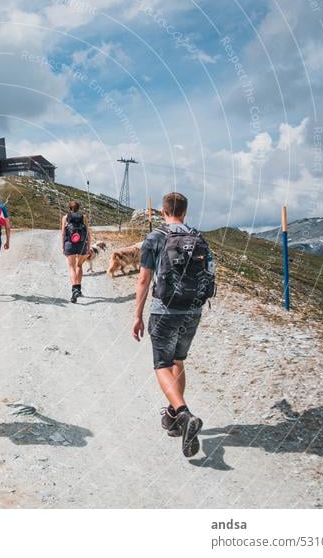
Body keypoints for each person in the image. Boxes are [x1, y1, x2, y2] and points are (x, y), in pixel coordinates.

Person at [132, 192, 215, 458]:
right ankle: (172, 415)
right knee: (178, 361)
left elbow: (144, 280)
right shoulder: (198, 236)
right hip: (193, 310)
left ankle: (183, 413)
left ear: (162, 211)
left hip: (164, 310)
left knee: (161, 365)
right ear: (185, 212)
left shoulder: (156, 237)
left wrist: (137, 315)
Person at [61, 200, 90, 303]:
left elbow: (63, 233)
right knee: (79, 266)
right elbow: (88, 233)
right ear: (78, 208)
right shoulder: (84, 217)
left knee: (71, 267)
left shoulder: (65, 217)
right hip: (82, 243)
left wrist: (63, 246)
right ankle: (79, 289)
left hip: (69, 244)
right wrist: (88, 246)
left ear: (69, 208)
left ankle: (74, 290)